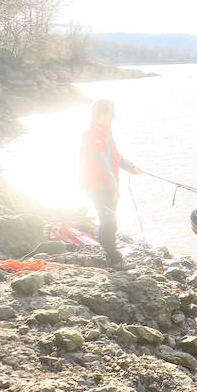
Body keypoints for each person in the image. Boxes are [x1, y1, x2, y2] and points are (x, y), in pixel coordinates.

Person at [80, 99, 142, 268]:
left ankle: (108, 253)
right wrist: (113, 189)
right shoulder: (95, 135)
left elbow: (115, 158)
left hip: (105, 187)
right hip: (100, 188)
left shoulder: (105, 133)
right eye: (110, 112)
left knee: (107, 220)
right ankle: (114, 260)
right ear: (100, 114)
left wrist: (131, 167)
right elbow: (101, 164)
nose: (114, 116)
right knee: (109, 222)